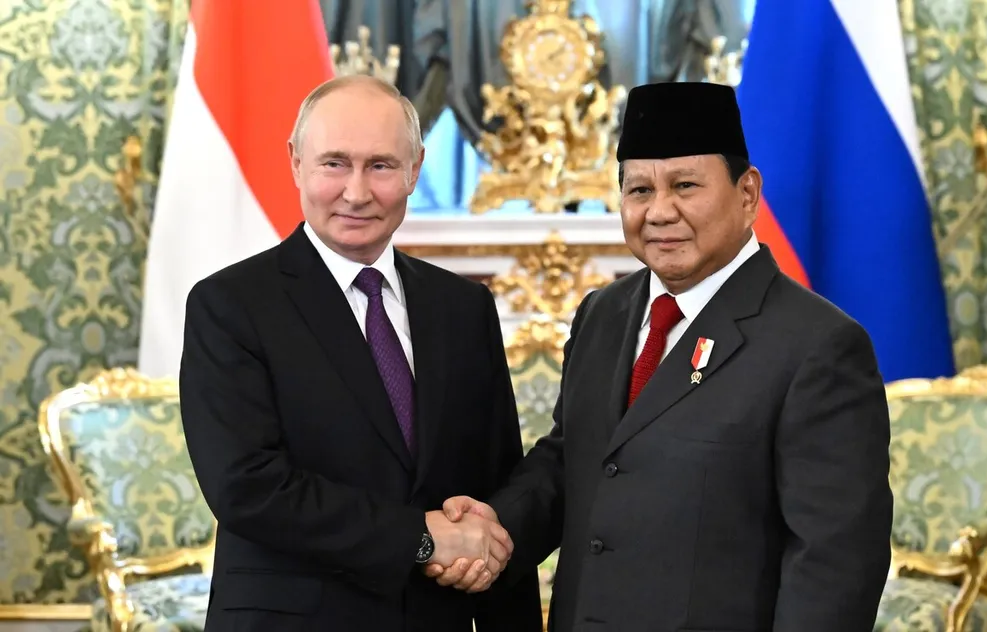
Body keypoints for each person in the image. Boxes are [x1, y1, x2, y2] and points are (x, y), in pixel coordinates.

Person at [428, 82, 893, 630]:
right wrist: (494, 527)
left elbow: (835, 565)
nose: (659, 212)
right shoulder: (602, 312)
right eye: (640, 190)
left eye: (685, 186)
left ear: (747, 193)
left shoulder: (818, 345)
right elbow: (575, 459)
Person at [179, 74, 542, 632]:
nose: (356, 192)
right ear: (296, 162)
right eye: (334, 164)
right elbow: (247, 486)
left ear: (415, 169)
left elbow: (495, 482)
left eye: (380, 166)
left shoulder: (463, 307)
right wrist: (419, 538)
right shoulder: (230, 305)